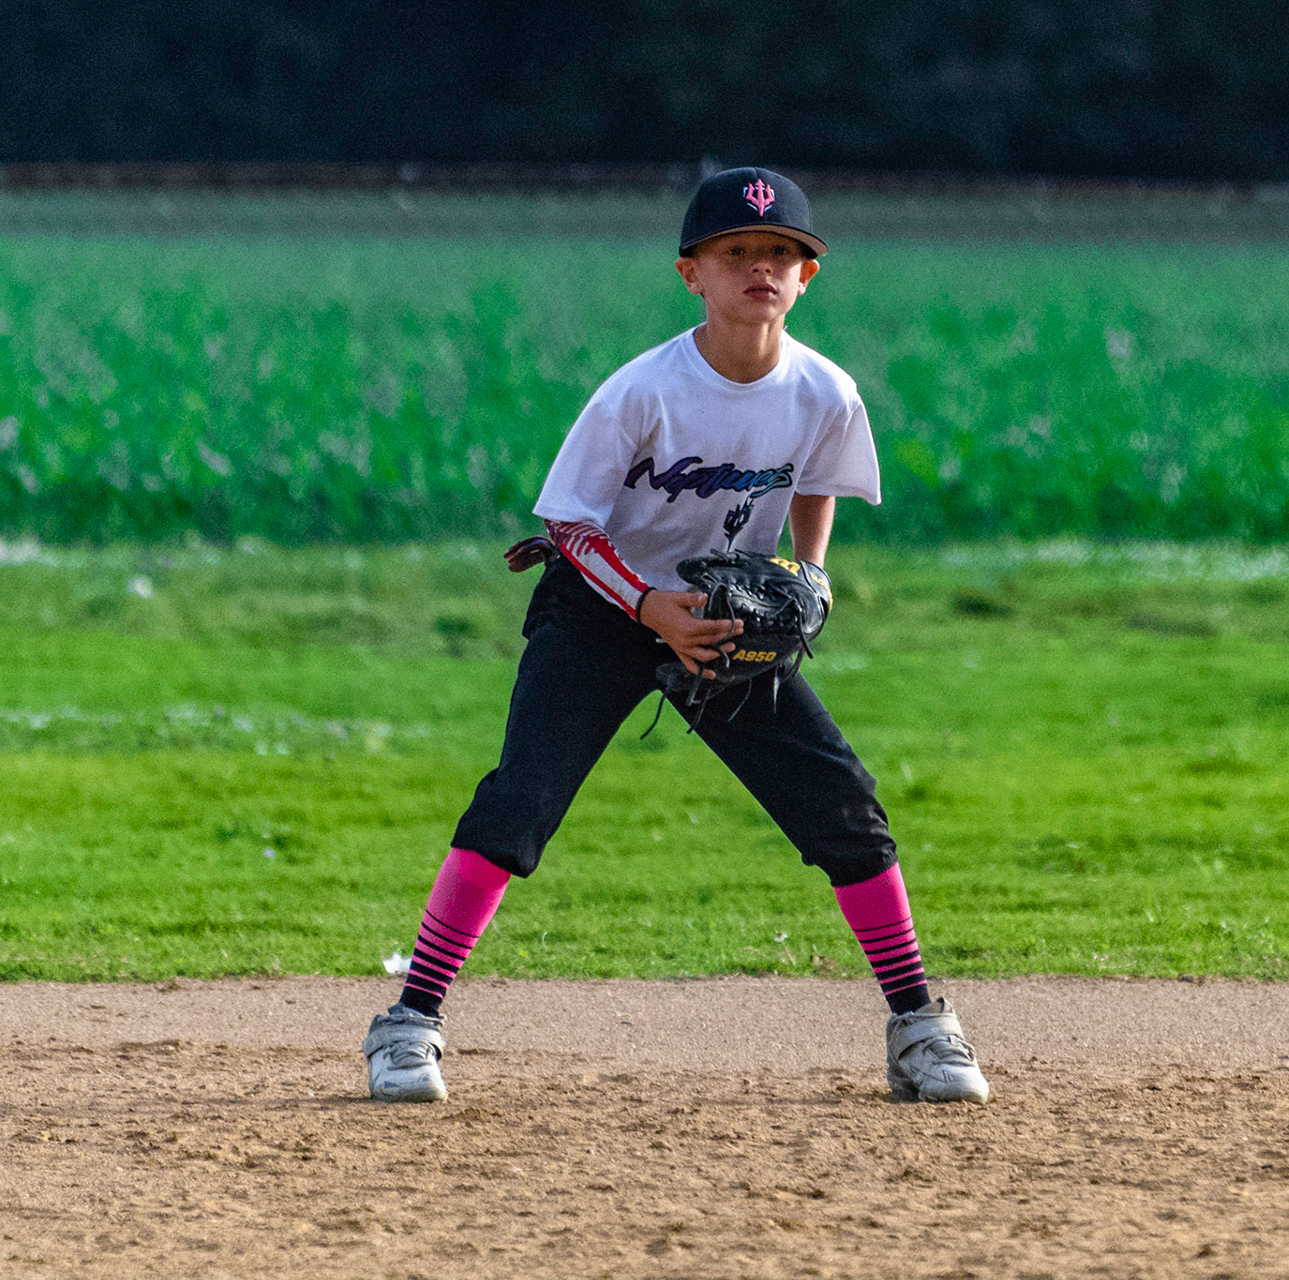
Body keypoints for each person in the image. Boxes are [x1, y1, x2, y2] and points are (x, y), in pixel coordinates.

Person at [361, 167, 989, 1105]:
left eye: (780, 252)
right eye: (736, 252)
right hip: (601, 608)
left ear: (807, 276)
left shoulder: (824, 392)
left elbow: (818, 485)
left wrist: (812, 574)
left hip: (728, 616)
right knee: (519, 805)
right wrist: (648, 606)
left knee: (844, 806)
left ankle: (918, 1026)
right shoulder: (644, 391)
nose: (760, 267)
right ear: (692, 273)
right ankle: (409, 1023)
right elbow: (568, 524)